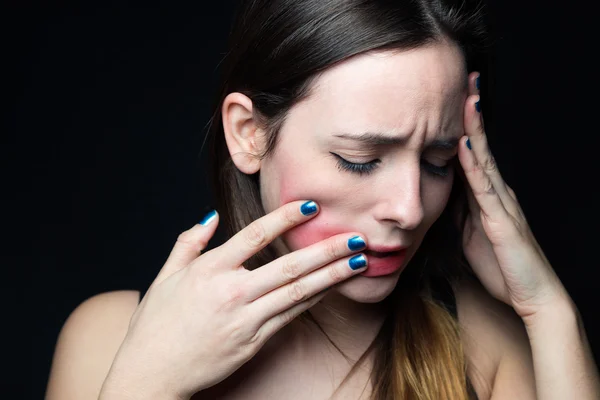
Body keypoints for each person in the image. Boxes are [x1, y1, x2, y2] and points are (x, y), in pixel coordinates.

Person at [45, 0, 600, 399]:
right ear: (248, 133)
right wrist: (150, 382)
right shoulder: (110, 337)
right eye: (359, 158)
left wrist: (548, 313)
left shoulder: (485, 347)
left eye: (436, 161)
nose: (408, 209)